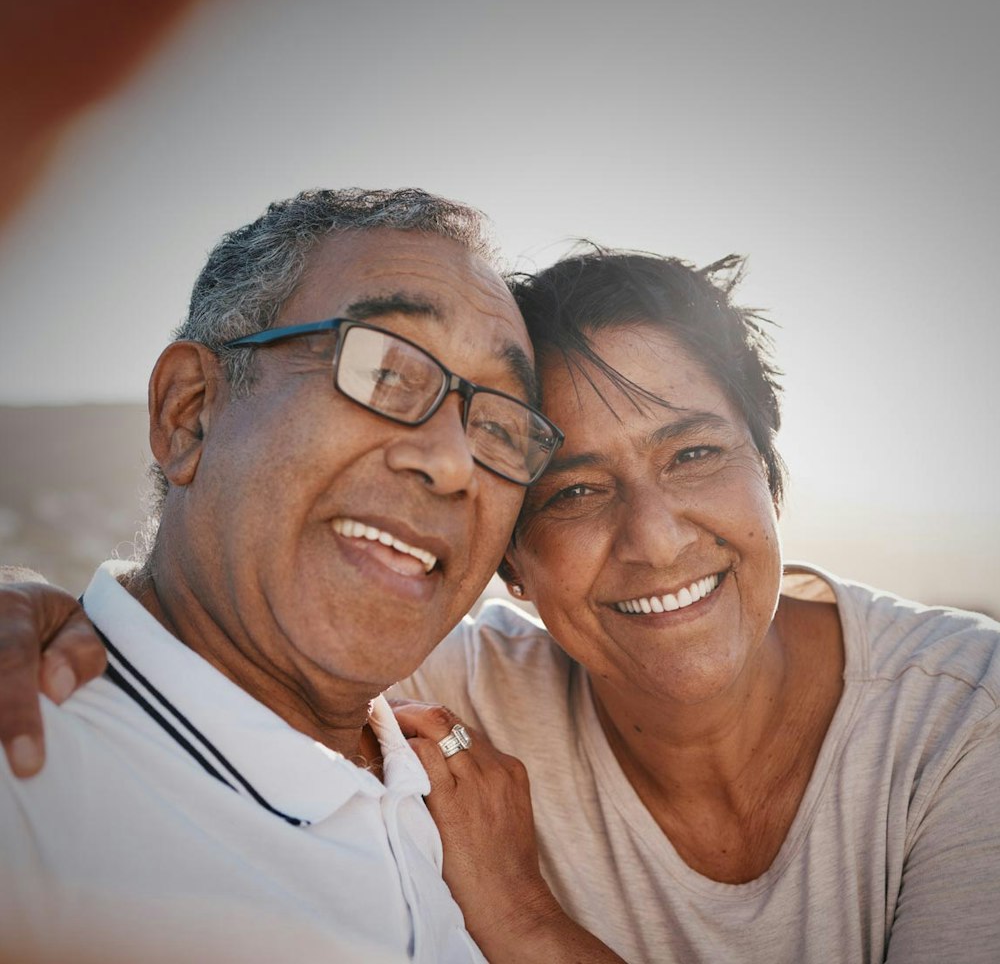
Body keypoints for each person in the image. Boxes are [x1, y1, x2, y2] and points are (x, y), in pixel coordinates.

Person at [4, 246, 1000, 962]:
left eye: (694, 454)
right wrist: (57, 612)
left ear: (770, 478)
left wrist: (523, 916)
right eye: (572, 490)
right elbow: (225, 632)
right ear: (508, 561)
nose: (654, 536)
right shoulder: (449, 691)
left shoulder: (963, 717)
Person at [0, 187, 623, 963]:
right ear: (189, 412)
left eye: (498, 424)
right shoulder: (31, 781)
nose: (454, 461)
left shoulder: (466, 798)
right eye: (386, 371)